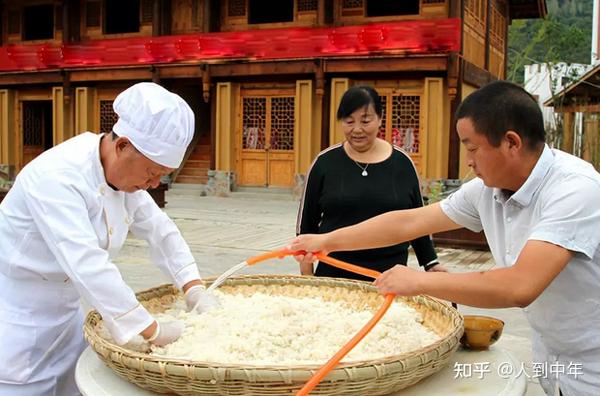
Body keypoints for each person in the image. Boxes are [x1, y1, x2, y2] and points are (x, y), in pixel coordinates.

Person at [290, 81, 600, 396]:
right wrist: (327, 240)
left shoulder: (575, 189)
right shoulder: (487, 190)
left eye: (472, 147)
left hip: (593, 359)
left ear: (511, 143)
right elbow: (409, 221)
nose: (468, 160)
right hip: (552, 349)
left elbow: (520, 286)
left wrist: (420, 281)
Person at [0, 82, 215, 396]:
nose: (154, 183)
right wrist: (152, 330)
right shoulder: (58, 176)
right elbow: (87, 264)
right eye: (152, 172)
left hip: (67, 318)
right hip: (18, 320)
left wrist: (193, 286)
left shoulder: (123, 178)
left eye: (162, 176)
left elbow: (161, 230)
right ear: (123, 146)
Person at [296, 85, 445, 281]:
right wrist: (308, 276)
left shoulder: (402, 163)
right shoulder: (324, 163)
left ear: (380, 119)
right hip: (334, 276)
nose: (357, 129)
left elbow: (416, 219)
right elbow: (307, 223)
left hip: (390, 277)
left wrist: (431, 263)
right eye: (349, 121)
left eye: (365, 121)